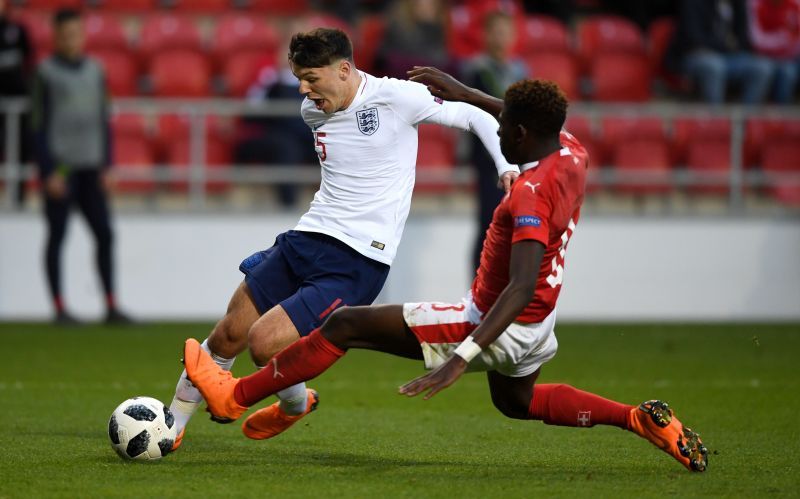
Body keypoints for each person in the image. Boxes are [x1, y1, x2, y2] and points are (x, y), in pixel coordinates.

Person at [182, 74, 708, 473]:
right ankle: (638, 419)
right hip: (539, 325)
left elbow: (519, 283)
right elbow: (520, 116)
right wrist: (461, 91)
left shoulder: (528, 194)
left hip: (491, 321)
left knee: (345, 326)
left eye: (504, 129)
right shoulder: (572, 152)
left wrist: (462, 357)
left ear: (522, 135)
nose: (496, 131)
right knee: (518, 404)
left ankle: (236, 396)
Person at [168, 28, 518, 450]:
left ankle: (293, 407)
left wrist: (504, 167)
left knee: (263, 344)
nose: (303, 89)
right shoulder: (313, 110)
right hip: (306, 236)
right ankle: (170, 427)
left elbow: (474, 116)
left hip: (357, 259)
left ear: (345, 70)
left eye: (311, 78)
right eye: (299, 77)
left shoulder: (396, 97)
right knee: (228, 334)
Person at [31, 9, 131, 325]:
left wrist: (108, 164)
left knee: (104, 233)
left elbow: (105, 120)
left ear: (83, 35)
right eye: (65, 35)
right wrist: (47, 171)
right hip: (61, 169)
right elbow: (36, 125)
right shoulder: (44, 73)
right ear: (56, 37)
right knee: (58, 235)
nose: (71, 40)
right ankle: (59, 307)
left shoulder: (95, 71)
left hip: (91, 166)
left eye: (76, 34)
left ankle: (111, 305)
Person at [462, 10, 528, 270]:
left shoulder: (521, 72)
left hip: (518, 160)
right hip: (488, 160)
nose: (501, 38)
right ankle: (478, 289)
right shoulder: (476, 71)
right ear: (486, 35)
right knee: (488, 225)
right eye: (496, 32)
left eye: (505, 32)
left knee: (516, 227)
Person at [666, 0, 774, 104]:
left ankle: (747, 117)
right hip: (693, 55)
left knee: (762, 67)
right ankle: (716, 118)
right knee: (714, 66)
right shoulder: (693, 2)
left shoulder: (736, 3)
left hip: (728, 57)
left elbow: (743, 38)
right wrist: (727, 45)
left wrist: (730, 46)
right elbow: (693, 38)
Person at [0, 0, 33, 207]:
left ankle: (19, 195)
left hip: (18, 99)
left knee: (20, 147)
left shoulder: (19, 30)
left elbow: (29, 58)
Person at [748, 0, 800, 103]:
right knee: (763, 69)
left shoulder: (795, 5)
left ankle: (784, 116)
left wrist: (787, 43)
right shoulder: (756, 4)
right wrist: (782, 40)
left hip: (790, 58)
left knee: (788, 72)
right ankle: (748, 115)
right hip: (762, 57)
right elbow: (756, 41)